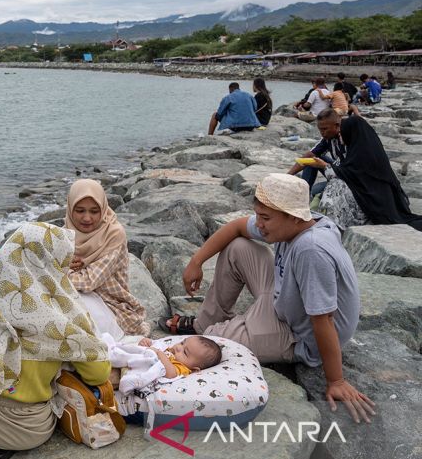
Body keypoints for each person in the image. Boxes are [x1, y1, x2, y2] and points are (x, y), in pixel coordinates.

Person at [159, 174, 376, 424]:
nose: (259, 224)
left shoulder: (311, 249)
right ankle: (205, 323)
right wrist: (196, 261)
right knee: (237, 247)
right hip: (284, 297)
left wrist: (336, 380)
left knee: (211, 346)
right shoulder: (302, 222)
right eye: (259, 216)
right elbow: (238, 226)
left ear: (294, 217)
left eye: (265, 218)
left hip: (298, 333)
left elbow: (323, 320)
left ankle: (211, 330)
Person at [0, 222, 111, 459]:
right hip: (22, 428)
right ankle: (0, 443)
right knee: (57, 387)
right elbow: (98, 373)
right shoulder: (63, 309)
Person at [65, 179, 149, 337]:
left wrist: (61, 271)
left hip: (111, 304)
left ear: (103, 208)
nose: (87, 218)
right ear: (70, 209)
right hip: (75, 292)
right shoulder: (65, 233)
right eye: (80, 211)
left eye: (94, 211)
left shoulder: (113, 234)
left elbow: (89, 281)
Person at [309, 116, 422, 231]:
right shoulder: (365, 147)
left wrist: (324, 166)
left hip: (372, 201)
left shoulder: (359, 153)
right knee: (323, 188)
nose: (341, 136)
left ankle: (330, 227)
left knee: (335, 185)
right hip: (379, 197)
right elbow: (349, 172)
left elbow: (349, 175)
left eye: (342, 133)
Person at [106, 335, 222, 394]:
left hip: (132, 370)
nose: (178, 347)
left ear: (195, 368)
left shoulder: (182, 368)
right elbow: (155, 347)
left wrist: (158, 353)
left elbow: (170, 373)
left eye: (185, 352)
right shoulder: (171, 350)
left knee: (109, 377)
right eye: (182, 343)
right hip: (134, 361)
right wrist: (146, 343)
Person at [287, 109, 347, 200]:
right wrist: (288, 175)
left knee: (320, 192)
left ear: (337, 126)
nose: (322, 133)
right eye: (320, 129)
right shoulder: (328, 138)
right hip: (336, 169)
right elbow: (310, 154)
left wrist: (324, 166)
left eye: (325, 129)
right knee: (312, 159)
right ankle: (305, 193)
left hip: (348, 177)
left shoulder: (346, 137)